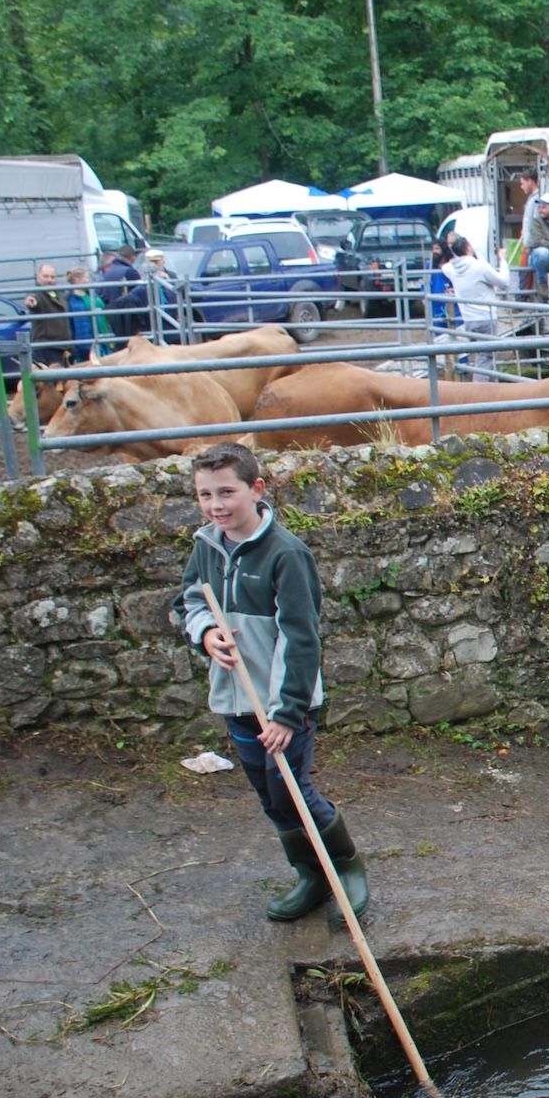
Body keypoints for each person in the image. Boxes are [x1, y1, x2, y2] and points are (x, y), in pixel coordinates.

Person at [173, 442, 368, 923]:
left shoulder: (287, 554)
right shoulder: (206, 546)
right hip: (235, 698)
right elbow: (188, 602)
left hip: (285, 705)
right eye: (205, 494)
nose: (216, 505)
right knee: (269, 795)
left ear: (256, 490)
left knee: (292, 789)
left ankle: (347, 868)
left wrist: (286, 713)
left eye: (226, 492)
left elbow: (301, 639)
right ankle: (311, 876)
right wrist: (207, 633)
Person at [440, 234, 510, 381]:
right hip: (486, 317)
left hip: (469, 320)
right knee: (485, 360)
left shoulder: (451, 269)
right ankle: (480, 395)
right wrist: (503, 260)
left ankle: (492, 393)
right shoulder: (479, 266)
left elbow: (445, 267)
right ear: (467, 248)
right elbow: (503, 281)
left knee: (483, 357)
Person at [22, 263, 72, 362]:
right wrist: (31, 301)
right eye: (46, 276)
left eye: (52, 277)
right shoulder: (37, 293)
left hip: (63, 347)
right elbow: (32, 299)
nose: (49, 280)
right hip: (46, 348)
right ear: (38, 278)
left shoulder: (59, 293)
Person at [96, 245, 144, 336]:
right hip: (127, 315)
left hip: (111, 312)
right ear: (133, 258)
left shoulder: (109, 271)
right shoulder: (130, 272)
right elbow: (138, 296)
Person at [62, 265, 103, 360]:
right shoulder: (73, 301)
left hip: (96, 338)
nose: (88, 280)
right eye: (86, 277)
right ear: (77, 279)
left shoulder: (90, 295)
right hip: (85, 342)